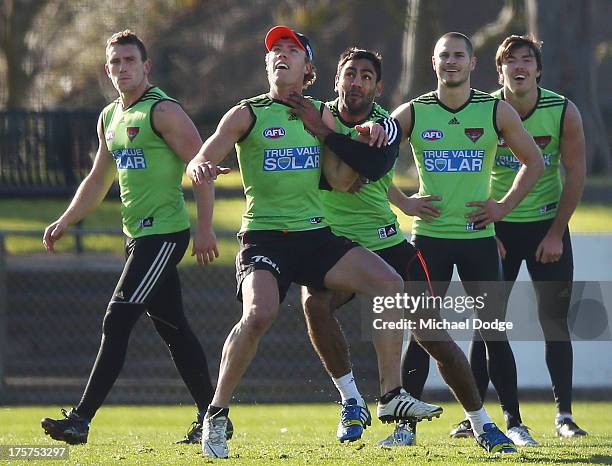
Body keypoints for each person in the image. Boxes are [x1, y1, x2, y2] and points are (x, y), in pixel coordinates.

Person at [187, 26, 442, 459]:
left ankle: (390, 395)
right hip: (264, 237)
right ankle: (216, 414)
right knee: (258, 314)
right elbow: (203, 158)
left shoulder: (321, 113)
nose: (280, 55)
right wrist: (203, 203)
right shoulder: (247, 113)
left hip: (314, 235)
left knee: (390, 284)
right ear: (267, 66)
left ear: (308, 69)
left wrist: (377, 130)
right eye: (274, 51)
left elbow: (357, 131)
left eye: (291, 50)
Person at [294, 46, 516, 453]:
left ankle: (483, 425)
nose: (356, 81)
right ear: (336, 79)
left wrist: (330, 140)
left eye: (365, 76)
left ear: (378, 88)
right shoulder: (317, 112)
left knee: (435, 339)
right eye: (350, 74)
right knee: (314, 305)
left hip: (387, 242)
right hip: (333, 243)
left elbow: (366, 171)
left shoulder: (387, 125)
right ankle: (351, 401)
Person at [39, 30, 231, 446]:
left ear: (146, 66)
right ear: (107, 70)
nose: (122, 68)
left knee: (117, 317)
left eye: (130, 60)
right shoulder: (109, 117)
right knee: (175, 331)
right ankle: (212, 416)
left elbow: (201, 165)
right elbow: (97, 179)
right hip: (137, 237)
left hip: (163, 236)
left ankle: (81, 419)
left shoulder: (163, 111)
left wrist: (203, 228)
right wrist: (66, 219)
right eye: (115, 63)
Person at [386, 32, 544, 448]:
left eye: (459, 55)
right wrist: (403, 201)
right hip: (429, 240)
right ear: (433, 63)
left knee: (494, 331)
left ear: (474, 64)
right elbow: (370, 159)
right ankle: (406, 428)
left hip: (478, 239)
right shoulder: (413, 112)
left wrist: (503, 207)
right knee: (422, 331)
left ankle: (514, 423)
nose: (451, 61)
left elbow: (535, 161)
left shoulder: (496, 110)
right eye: (444, 56)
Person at [449, 34, 587, 439]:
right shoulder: (485, 109)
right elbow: (467, 175)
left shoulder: (563, 111)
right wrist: (488, 230)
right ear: (499, 70)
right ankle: (473, 415)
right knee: (486, 324)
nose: (519, 67)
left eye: (527, 60)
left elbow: (575, 175)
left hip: (547, 228)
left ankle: (564, 415)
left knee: (555, 322)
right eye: (510, 61)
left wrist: (557, 233)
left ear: (538, 70)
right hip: (497, 231)